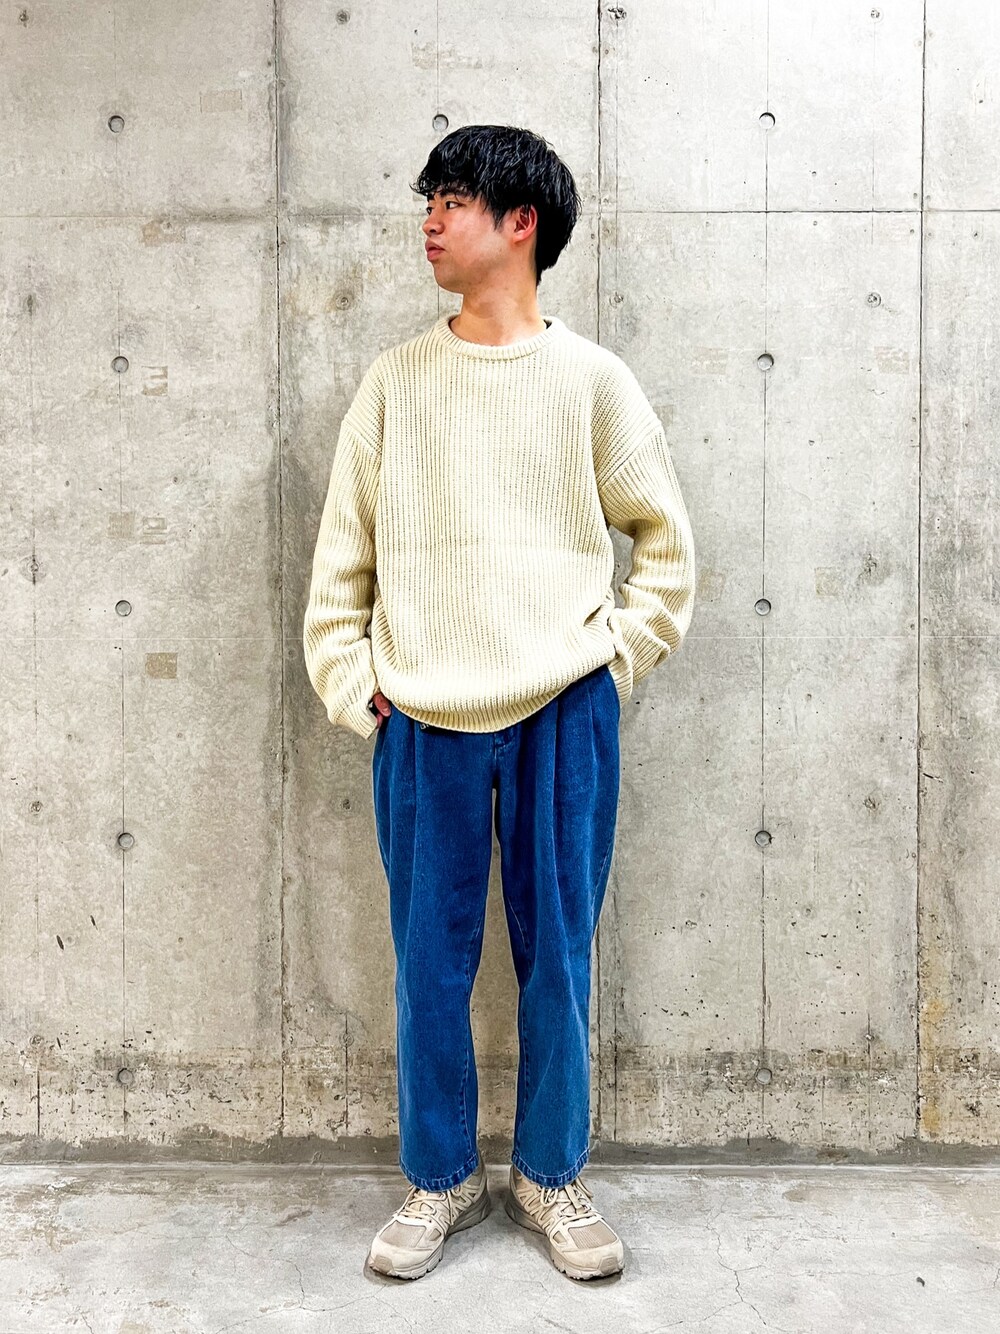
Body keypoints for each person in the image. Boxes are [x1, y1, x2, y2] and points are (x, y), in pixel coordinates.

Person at [302, 124, 696, 1282]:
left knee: (557, 956)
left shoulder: (591, 382)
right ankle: (438, 1176)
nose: (429, 219)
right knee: (426, 961)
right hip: (420, 716)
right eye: (427, 199)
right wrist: (354, 682)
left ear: (521, 222)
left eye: (453, 199)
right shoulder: (395, 381)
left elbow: (665, 546)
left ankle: (549, 1173)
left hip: (563, 709)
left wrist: (613, 661)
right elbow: (342, 558)